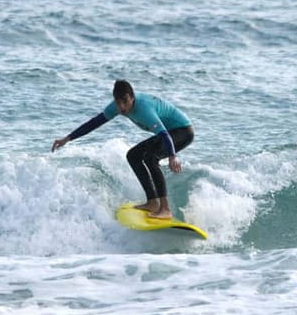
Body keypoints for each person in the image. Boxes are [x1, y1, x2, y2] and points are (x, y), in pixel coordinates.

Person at [51, 80, 194, 219]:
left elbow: (165, 135)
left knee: (151, 158)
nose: (122, 107)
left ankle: (165, 209)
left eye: (125, 102)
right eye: (118, 103)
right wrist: (67, 138)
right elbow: (94, 123)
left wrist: (172, 156)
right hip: (169, 133)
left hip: (182, 131)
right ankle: (152, 202)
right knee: (133, 155)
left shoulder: (144, 108)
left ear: (132, 97)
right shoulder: (116, 107)